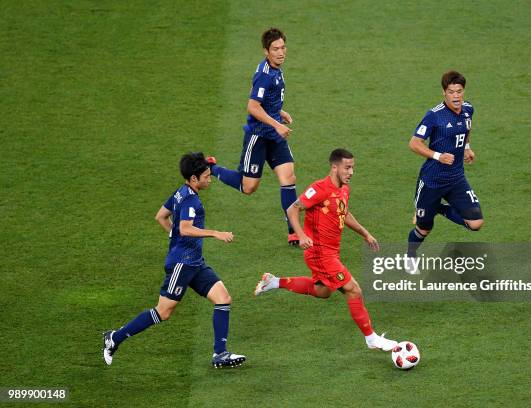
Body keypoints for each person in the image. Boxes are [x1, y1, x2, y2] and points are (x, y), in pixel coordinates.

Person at [103, 152, 246, 368]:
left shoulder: (180, 192)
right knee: (164, 311)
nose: (209, 179)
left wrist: (175, 237)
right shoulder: (190, 199)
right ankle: (114, 337)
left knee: (223, 298)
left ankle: (220, 354)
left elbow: (161, 216)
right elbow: (185, 228)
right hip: (182, 264)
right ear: (194, 179)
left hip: (194, 262)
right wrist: (215, 233)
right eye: (206, 176)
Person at [254, 148, 398, 351]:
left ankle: (274, 282)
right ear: (334, 167)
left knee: (323, 291)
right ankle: (371, 338)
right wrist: (301, 235)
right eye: (347, 168)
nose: (351, 172)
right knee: (353, 289)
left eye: (353, 168)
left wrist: (365, 233)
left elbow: (343, 213)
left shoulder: (344, 189)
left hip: (331, 251)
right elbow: (292, 209)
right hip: (320, 253)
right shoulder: (319, 189)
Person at [208, 27, 299, 245]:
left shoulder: (276, 68)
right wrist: (276, 123)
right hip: (258, 137)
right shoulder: (264, 75)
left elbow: (269, 101)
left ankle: (293, 231)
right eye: (275, 49)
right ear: (266, 51)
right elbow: (253, 107)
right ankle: (209, 168)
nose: (281, 52)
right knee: (249, 187)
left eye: (283, 47)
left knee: (289, 178)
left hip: (274, 136)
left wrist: (280, 112)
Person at [406, 71, 484, 272]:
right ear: (444, 92)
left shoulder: (468, 109)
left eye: (459, 91)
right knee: (424, 228)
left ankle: (438, 209)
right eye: (451, 92)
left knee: (475, 223)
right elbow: (414, 143)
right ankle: (410, 255)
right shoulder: (434, 115)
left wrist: (467, 147)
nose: (456, 96)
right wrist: (438, 156)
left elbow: (467, 128)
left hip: (457, 178)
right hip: (432, 180)